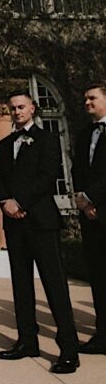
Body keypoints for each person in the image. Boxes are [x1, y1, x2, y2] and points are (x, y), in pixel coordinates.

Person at [0, 90, 79, 372]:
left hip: (41, 222)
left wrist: (20, 202)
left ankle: (69, 350)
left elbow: (47, 176)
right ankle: (26, 340)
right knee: (21, 283)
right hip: (14, 223)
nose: (17, 112)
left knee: (55, 285)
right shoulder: (5, 144)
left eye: (21, 107)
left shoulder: (47, 139)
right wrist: (6, 202)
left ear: (32, 108)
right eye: (13, 108)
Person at [73, 83, 106, 355]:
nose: (87, 103)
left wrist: (92, 198)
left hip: (100, 206)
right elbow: (76, 170)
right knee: (98, 275)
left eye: (92, 98)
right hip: (91, 216)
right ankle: (103, 334)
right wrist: (83, 202)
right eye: (85, 98)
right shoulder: (84, 134)